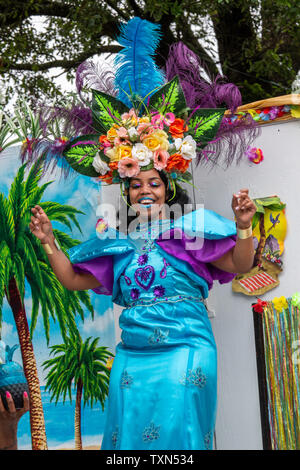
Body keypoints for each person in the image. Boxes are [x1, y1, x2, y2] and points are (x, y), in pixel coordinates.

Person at [29, 167, 256, 450]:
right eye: (136, 185)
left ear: (167, 189)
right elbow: (72, 279)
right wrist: (49, 242)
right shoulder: (118, 243)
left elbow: (240, 264)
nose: (145, 190)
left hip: (186, 347)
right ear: (127, 194)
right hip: (133, 355)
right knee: (129, 434)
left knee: (179, 430)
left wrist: (244, 225)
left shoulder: (189, 231)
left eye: (154, 183)